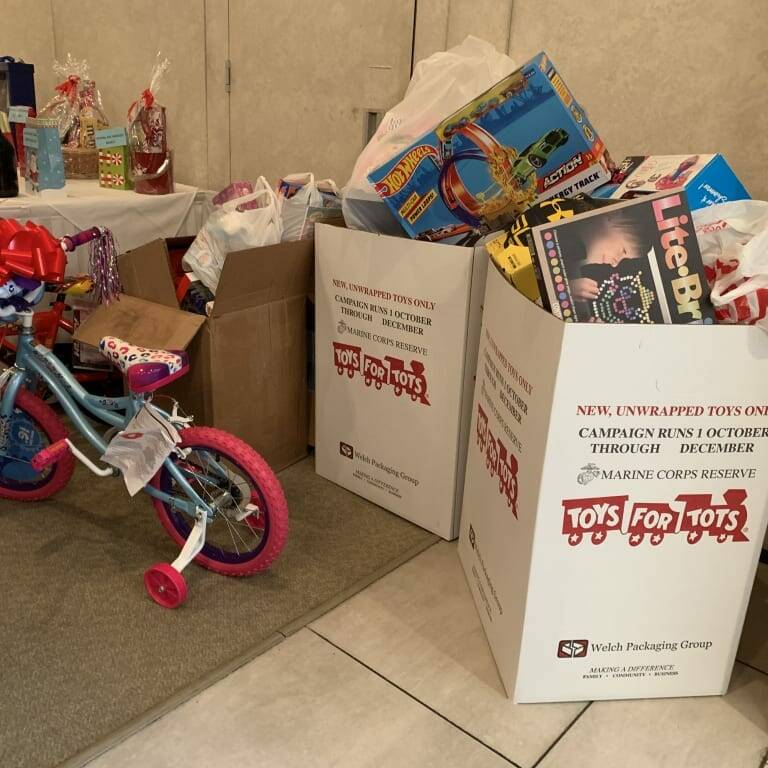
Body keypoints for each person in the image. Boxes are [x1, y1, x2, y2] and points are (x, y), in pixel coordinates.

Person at [569, 212, 646, 302]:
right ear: (612, 215)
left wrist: (567, 288)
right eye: (623, 250)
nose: (614, 264)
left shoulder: (572, 258)